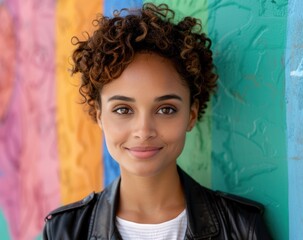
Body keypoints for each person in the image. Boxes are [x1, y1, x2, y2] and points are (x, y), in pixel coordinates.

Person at [43, 3, 272, 240]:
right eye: (123, 109)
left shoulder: (241, 227)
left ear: (191, 115)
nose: (143, 131)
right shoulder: (64, 231)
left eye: (165, 109)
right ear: (99, 115)